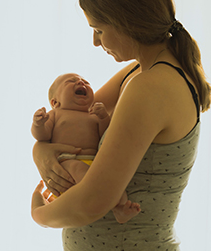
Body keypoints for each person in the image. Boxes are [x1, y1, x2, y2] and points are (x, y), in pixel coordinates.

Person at [31, 0, 211, 250]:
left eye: (99, 29)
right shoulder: (139, 73)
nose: (94, 41)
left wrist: (39, 215)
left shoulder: (150, 86)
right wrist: (40, 149)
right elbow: (70, 118)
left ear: (126, 20)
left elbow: (92, 203)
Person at [31, 73, 141, 223]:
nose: (81, 83)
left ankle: (119, 208)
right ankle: (90, 193)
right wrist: (39, 124)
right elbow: (42, 137)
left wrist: (103, 118)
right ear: (55, 102)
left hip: (93, 163)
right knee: (79, 168)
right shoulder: (56, 114)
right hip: (68, 163)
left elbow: (106, 136)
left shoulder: (93, 116)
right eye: (71, 81)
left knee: (115, 180)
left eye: (85, 82)